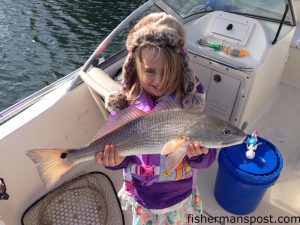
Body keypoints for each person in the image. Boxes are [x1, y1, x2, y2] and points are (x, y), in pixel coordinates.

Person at [96, 12, 216, 225]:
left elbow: (207, 158)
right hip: (142, 198)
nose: (159, 81)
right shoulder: (127, 104)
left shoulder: (188, 104)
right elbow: (120, 155)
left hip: (179, 198)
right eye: (150, 71)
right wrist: (114, 161)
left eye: (167, 72)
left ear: (181, 69)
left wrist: (199, 155)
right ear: (135, 67)